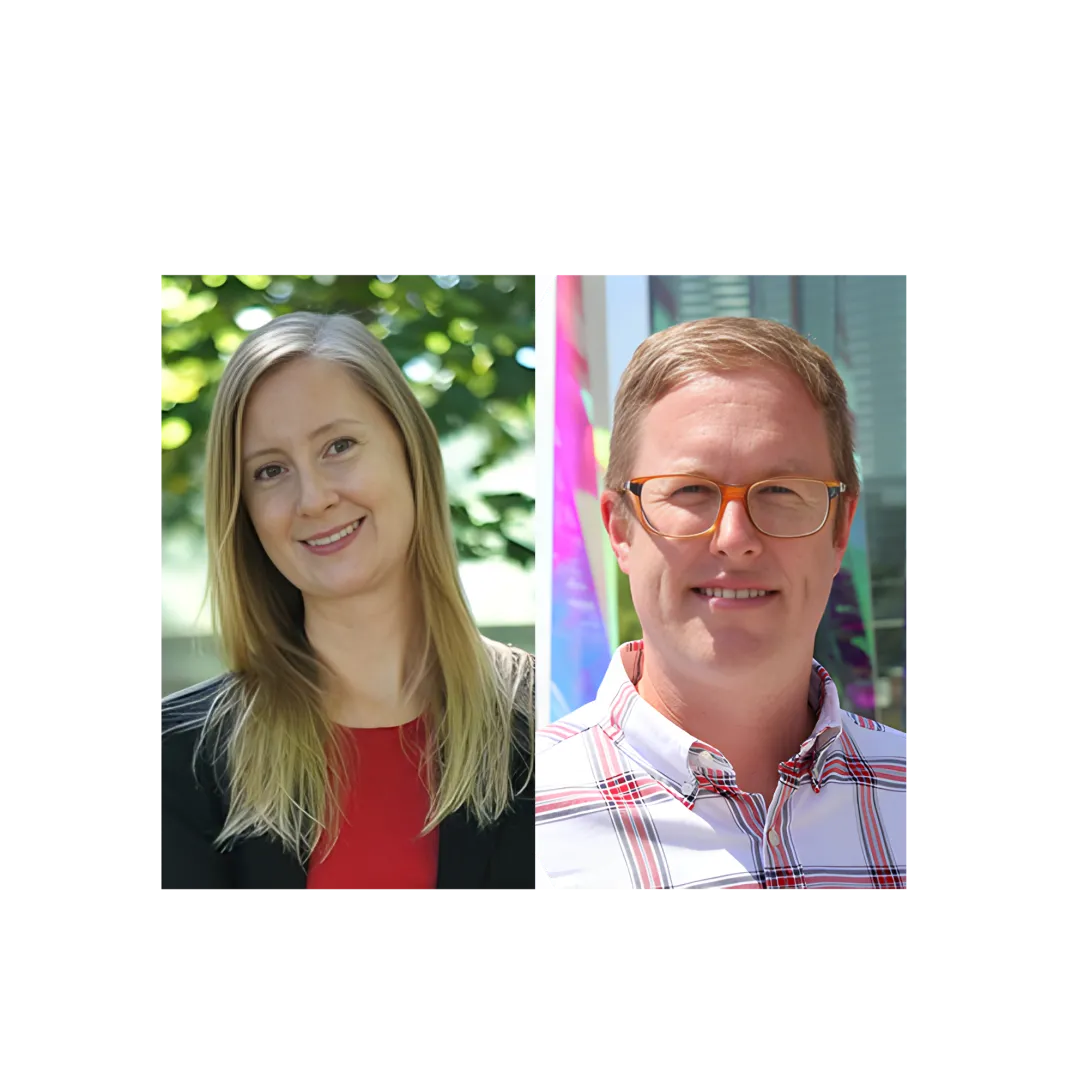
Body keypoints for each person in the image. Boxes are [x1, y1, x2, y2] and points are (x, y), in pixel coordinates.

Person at [160, 312, 534, 895]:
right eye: (271, 470)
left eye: (339, 445)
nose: (313, 498)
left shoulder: (552, 728)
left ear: (409, 450)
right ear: (246, 512)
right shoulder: (178, 761)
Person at [536, 317, 908, 894]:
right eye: (690, 489)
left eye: (782, 491)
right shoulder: (515, 822)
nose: (735, 536)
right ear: (620, 530)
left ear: (840, 531)